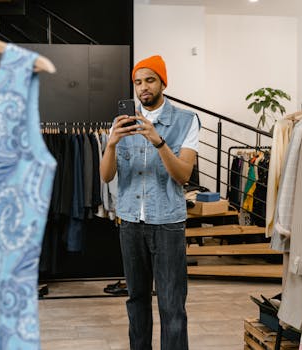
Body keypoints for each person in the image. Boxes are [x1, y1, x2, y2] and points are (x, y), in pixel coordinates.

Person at [100, 55, 199, 350]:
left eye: (150, 80)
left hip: (167, 223)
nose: (143, 87)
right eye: (138, 82)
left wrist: (158, 141)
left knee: (171, 305)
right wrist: (112, 143)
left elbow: (182, 175)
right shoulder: (121, 123)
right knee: (137, 301)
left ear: (163, 82)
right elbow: (106, 177)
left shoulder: (186, 121)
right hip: (130, 222)